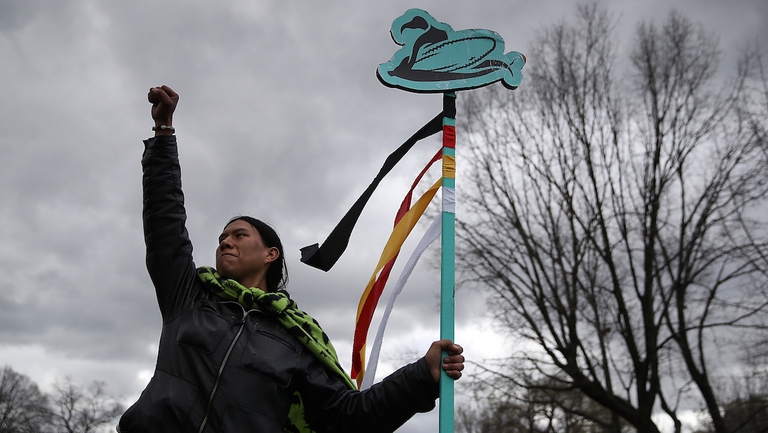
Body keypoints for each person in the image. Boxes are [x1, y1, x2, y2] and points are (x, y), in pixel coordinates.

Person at [117, 85, 465, 433]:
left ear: (272, 254)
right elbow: (165, 221)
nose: (225, 242)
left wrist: (422, 375)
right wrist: (163, 133)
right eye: (222, 237)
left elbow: (348, 419)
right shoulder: (188, 298)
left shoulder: (296, 339)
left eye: (239, 235)